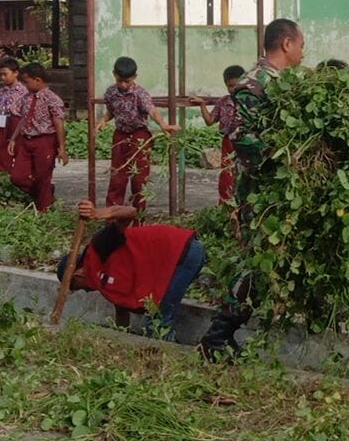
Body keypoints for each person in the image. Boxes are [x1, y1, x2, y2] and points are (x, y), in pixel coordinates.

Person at [199, 18, 306, 361]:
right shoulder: (254, 84)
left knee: (269, 263)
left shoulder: (279, 83)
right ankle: (217, 337)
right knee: (256, 264)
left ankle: (227, 333)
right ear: (287, 44)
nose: (304, 51)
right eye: (301, 44)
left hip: (276, 190)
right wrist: (281, 162)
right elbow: (243, 138)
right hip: (262, 191)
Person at [59, 200, 207, 340]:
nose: (83, 290)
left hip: (182, 252)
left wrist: (98, 213)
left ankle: (170, 361)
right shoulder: (103, 276)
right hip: (178, 258)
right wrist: (121, 337)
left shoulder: (99, 248)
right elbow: (121, 308)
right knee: (157, 321)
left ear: (78, 273)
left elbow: (130, 212)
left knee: (157, 324)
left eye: (75, 286)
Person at [99, 56, 177, 214]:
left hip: (139, 135)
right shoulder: (110, 93)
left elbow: (152, 110)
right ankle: (112, 216)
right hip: (120, 135)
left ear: (134, 77)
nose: (123, 85)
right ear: (114, 75)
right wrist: (103, 120)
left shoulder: (140, 94)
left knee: (139, 178)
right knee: (117, 177)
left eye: (127, 81)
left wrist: (163, 125)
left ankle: (137, 216)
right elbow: (111, 111)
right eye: (120, 80)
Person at [7, 62, 67, 212]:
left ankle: (43, 210)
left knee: (43, 177)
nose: (25, 85)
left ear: (38, 80)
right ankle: (42, 195)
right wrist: (13, 138)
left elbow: (58, 123)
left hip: (45, 140)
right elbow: (23, 118)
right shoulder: (26, 97)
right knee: (17, 177)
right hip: (26, 140)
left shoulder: (52, 99)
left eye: (27, 82)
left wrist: (62, 148)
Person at [189, 65, 246, 204]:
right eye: (230, 86)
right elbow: (210, 121)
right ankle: (225, 208)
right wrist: (202, 105)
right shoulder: (223, 102)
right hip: (228, 143)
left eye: (236, 85)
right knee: (227, 175)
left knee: (245, 175)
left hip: (245, 141)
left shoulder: (249, 100)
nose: (233, 89)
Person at [0, 58, 29, 173]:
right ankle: (2, 176)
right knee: (2, 153)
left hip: (17, 123)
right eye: (0, 75)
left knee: (17, 151)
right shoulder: (1, 92)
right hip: (3, 124)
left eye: (5, 74)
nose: (3, 77)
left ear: (16, 73)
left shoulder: (24, 91)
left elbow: (25, 115)